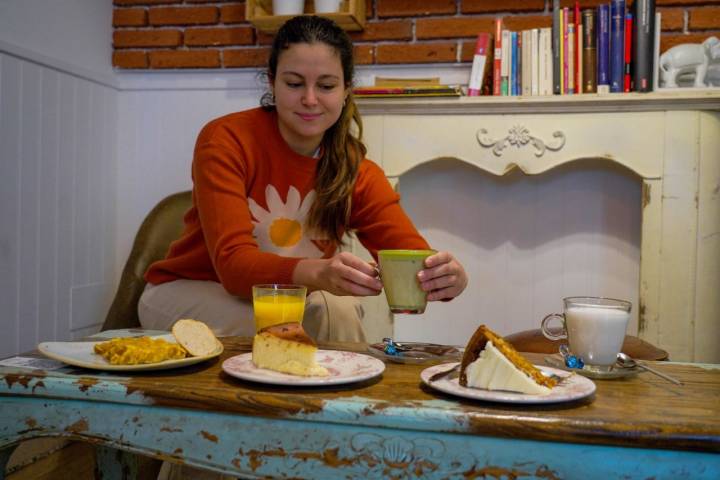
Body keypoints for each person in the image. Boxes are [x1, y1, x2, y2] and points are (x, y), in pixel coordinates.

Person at [138, 15, 468, 344]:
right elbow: (234, 268)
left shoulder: (357, 172)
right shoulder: (226, 139)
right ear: (272, 82)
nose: (310, 99)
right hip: (188, 291)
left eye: (326, 86)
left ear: (345, 90)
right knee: (318, 316)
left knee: (329, 310)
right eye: (294, 84)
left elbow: (411, 256)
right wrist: (320, 273)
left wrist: (445, 276)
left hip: (294, 302)